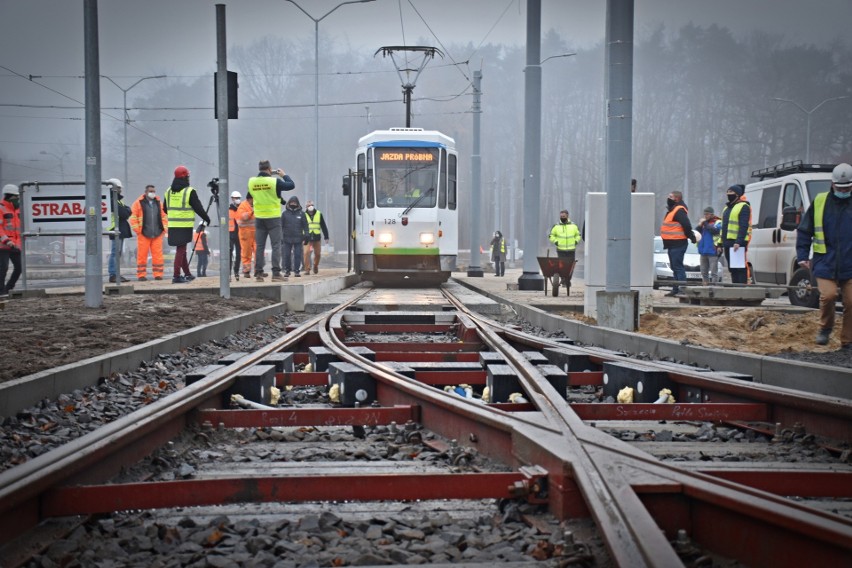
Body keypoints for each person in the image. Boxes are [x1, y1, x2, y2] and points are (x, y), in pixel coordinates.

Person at [796, 163, 852, 349]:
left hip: (850, 264)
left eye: (847, 188)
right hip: (825, 262)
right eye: (840, 187)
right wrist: (803, 255)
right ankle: (825, 328)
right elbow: (805, 231)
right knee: (827, 296)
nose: (843, 190)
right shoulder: (820, 202)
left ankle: (848, 340)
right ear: (833, 184)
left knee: (851, 301)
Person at [248, 160, 295, 282]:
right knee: (276, 245)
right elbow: (291, 185)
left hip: (259, 218)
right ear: (270, 169)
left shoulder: (252, 182)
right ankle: (276, 273)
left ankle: (258, 273)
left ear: (259, 169)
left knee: (260, 246)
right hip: (273, 218)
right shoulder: (275, 181)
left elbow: (250, 196)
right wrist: (283, 175)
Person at [163, 165, 211, 284]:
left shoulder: (168, 191)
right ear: (185, 177)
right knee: (181, 249)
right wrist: (206, 218)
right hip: (184, 225)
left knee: (181, 248)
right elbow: (198, 207)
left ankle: (187, 274)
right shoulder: (189, 191)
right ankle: (176, 276)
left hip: (173, 224)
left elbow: (165, 208)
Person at [660, 190, 696, 296]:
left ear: (677, 198)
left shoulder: (678, 211)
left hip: (678, 243)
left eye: (670, 196)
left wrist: (691, 236)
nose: (668, 198)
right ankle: (676, 289)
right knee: (674, 267)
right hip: (672, 244)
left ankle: (681, 289)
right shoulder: (673, 210)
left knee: (678, 267)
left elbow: (686, 225)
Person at [129, 184, 168, 281]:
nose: (152, 193)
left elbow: (165, 217)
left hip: (157, 233)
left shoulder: (159, 203)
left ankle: (158, 274)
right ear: (146, 192)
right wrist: (138, 231)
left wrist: (164, 229)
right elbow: (133, 218)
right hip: (143, 234)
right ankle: (141, 275)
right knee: (142, 255)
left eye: (154, 191)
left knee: (158, 255)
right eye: (151, 191)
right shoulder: (138, 203)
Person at [721, 184, 752, 285]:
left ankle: (741, 289)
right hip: (727, 242)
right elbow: (724, 227)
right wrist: (720, 243)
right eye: (728, 192)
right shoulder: (726, 208)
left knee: (739, 268)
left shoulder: (744, 206)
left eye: (731, 193)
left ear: (738, 195)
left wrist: (738, 241)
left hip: (737, 243)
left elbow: (744, 226)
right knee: (732, 268)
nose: (729, 194)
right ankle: (735, 288)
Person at [548, 210, 582, 293]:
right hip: (561, 250)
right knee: (562, 267)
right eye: (561, 216)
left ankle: (567, 280)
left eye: (563, 216)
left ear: (567, 216)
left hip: (571, 250)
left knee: (570, 267)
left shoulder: (573, 226)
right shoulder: (556, 226)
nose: (562, 217)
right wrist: (556, 241)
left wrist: (576, 241)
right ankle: (563, 280)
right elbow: (551, 236)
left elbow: (578, 235)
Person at [106, 178, 132, 283]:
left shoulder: (116, 200)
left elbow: (127, 210)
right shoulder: (111, 200)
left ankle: (115, 274)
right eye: (119, 188)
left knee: (117, 253)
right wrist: (127, 211)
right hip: (115, 229)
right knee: (115, 253)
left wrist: (127, 210)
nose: (120, 190)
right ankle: (113, 274)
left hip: (119, 229)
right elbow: (125, 213)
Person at [0, 184, 22, 298]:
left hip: (15, 245)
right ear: (9, 196)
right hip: (3, 245)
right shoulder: (0, 207)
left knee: (19, 268)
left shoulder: (17, 210)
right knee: (3, 268)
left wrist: (18, 244)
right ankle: (1, 291)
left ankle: (8, 288)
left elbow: (18, 230)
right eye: (15, 196)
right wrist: (7, 241)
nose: (17, 199)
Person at [281, 195, 307, 277]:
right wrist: (281, 237)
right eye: (291, 202)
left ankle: (297, 271)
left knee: (298, 255)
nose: (293, 204)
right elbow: (280, 226)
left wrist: (306, 235)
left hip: (298, 238)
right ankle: (287, 270)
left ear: (298, 204)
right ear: (289, 203)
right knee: (287, 255)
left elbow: (305, 226)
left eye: (294, 202)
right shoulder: (284, 214)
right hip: (287, 238)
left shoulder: (302, 214)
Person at [696, 206, 722, 285]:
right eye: (704, 214)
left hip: (712, 250)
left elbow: (715, 231)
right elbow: (697, 232)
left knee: (714, 272)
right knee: (704, 272)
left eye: (707, 214)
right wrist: (700, 225)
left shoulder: (718, 222)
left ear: (712, 214)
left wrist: (705, 223)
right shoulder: (704, 224)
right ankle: (705, 287)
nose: (705, 216)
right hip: (703, 251)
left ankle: (714, 288)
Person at [302, 200, 329, 275]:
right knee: (306, 253)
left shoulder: (319, 214)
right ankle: (307, 269)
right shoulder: (303, 215)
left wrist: (326, 236)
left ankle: (315, 265)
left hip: (317, 237)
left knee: (318, 254)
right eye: (308, 205)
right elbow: (301, 227)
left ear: (313, 206)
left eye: (311, 205)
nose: (310, 207)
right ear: (306, 207)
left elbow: (323, 226)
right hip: (307, 237)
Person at [237, 192, 256, 278]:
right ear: (250, 199)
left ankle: (258, 270)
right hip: (245, 233)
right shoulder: (243, 206)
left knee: (258, 251)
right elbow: (243, 217)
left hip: (256, 232)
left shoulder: (256, 205)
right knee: (246, 253)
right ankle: (246, 271)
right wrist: (251, 212)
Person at [228, 191, 242, 281]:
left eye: (238, 198)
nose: (237, 200)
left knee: (239, 254)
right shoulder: (228, 209)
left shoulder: (241, 209)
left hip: (240, 234)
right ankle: (228, 273)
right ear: (232, 198)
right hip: (230, 233)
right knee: (229, 253)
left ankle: (236, 271)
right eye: (235, 198)